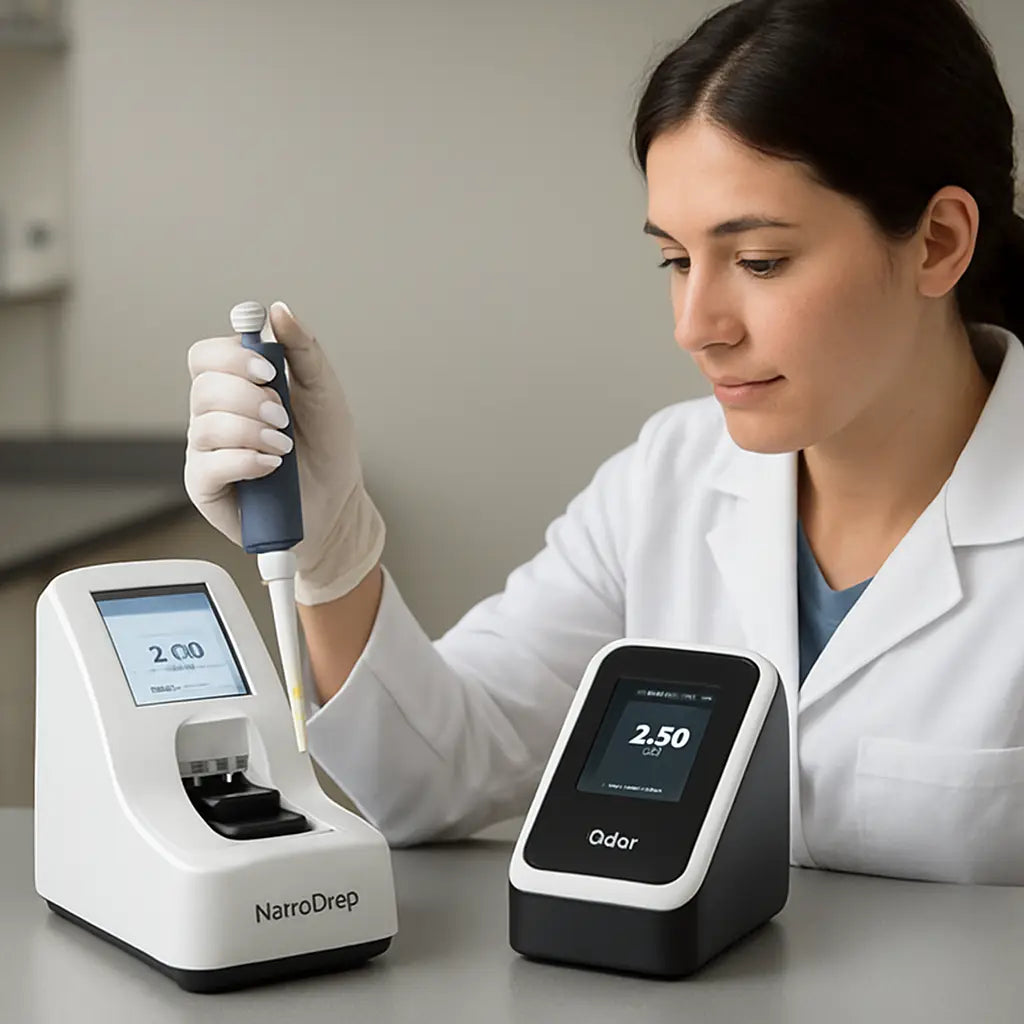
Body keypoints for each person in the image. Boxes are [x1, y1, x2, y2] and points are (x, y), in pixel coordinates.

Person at [184, 0, 1024, 886]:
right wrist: (332, 556)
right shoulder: (667, 479)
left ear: (938, 243)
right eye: (675, 260)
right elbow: (437, 778)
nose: (696, 326)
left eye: (761, 261)